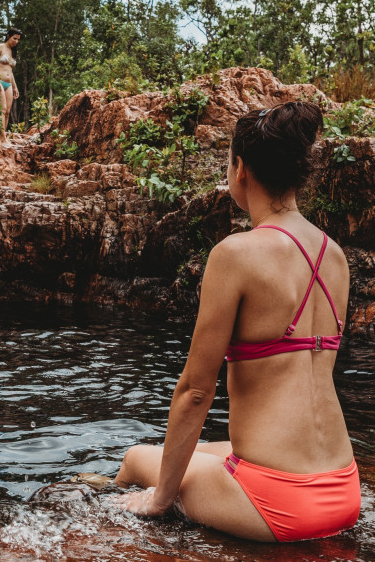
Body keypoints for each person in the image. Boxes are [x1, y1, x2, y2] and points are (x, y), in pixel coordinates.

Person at [113, 101, 358, 543]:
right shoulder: (335, 256)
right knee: (208, 450)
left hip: (281, 505)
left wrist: (159, 500)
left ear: (240, 168)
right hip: (343, 487)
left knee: (135, 459)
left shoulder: (236, 253)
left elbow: (195, 391)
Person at [0, 27, 21, 142]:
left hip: (9, 84)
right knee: (2, 110)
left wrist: (15, 87)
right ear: (8, 36)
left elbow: (10, 72)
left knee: (7, 112)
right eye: (14, 38)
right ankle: (3, 139)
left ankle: (0, 138)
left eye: (18, 40)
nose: (16, 42)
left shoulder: (13, 52)